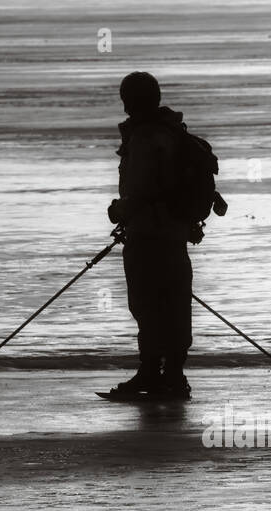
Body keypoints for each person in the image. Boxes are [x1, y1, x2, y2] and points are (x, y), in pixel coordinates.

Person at [106, 72, 195, 399]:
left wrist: (119, 211)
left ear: (132, 100)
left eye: (126, 97)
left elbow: (143, 190)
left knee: (147, 306)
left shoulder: (145, 137)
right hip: (173, 234)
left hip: (149, 235)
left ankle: (153, 374)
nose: (124, 104)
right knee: (173, 305)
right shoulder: (171, 132)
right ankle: (171, 375)